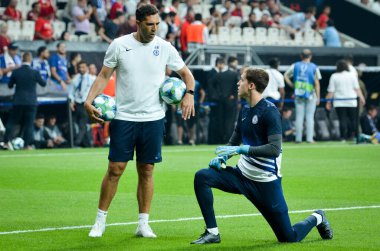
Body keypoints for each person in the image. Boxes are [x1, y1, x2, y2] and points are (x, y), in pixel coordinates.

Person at [84, 4, 195, 238]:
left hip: (154, 119)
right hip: (124, 117)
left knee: (146, 170)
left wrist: (189, 94)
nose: (154, 28)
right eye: (149, 24)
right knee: (115, 169)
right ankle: (100, 221)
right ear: (138, 23)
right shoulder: (119, 45)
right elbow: (104, 75)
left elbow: (187, 75)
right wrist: (89, 100)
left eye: (157, 24)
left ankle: (143, 223)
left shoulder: (165, 47)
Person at [191, 67, 333, 244]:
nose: (237, 83)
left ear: (250, 85)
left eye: (241, 80)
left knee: (289, 238)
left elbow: (274, 149)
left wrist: (243, 150)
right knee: (202, 177)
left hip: (266, 184)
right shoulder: (244, 111)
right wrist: (223, 157)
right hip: (241, 176)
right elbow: (234, 143)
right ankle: (212, 233)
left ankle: (317, 217)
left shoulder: (270, 111)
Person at [3, 52, 46, 150]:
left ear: (22, 59)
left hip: (18, 101)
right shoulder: (35, 72)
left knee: (12, 122)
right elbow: (43, 83)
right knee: (29, 124)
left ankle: (5, 142)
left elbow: (10, 85)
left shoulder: (16, 72)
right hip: (31, 102)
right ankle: (27, 145)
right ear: (30, 60)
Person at [284, 49, 321, 143]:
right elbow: (317, 83)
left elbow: (285, 76)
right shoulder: (314, 67)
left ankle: (298, 139)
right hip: (311, 94)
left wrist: (292, 85)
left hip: (298, 94)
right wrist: (318, 97)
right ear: (311, 56)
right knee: (309, 117)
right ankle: (309, 138)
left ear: (301, 56)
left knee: (299, 117)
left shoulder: (295, 65)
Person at [325, 60, 365, 141]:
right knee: (353, 119)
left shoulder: (334, 76)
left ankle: (343, 137)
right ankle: (353, 136)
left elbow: (331, 91)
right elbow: (357, 89)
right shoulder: (352, 75)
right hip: (352, 101)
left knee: (342, 119)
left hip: (339, 102)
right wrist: (362, 98)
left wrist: (328, 102)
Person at [69, 61, 95, 147]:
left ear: (87, 68)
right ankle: (87, 144)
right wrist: (71, 101)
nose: (81, 69)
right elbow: (71, 92)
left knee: (82, 124)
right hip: (76, 104)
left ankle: (76, 143)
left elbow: (96, 92)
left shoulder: (92, 79)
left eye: (83, 67)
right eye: (80, 67)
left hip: (86, 103)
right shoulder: (75, 79)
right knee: (74, 124)